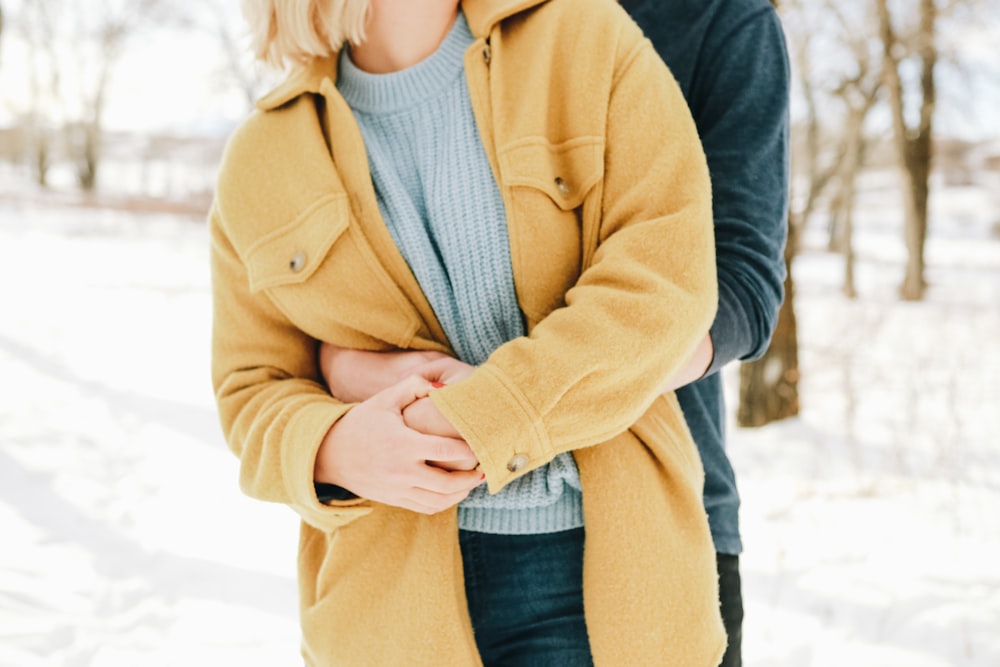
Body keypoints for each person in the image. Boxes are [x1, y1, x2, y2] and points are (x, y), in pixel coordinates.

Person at [210, 0, 726, 664]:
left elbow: (664, 283)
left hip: (599, 587)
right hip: (384, 612)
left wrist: (482, 416)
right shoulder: (263, 156)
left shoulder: (584, 40)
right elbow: (252, 390)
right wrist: (337, 448)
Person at [621, 2, 792, 665]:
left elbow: (743, 285)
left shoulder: (724, 20)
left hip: (669, 518)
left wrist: (566, 382)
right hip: (455, 515)